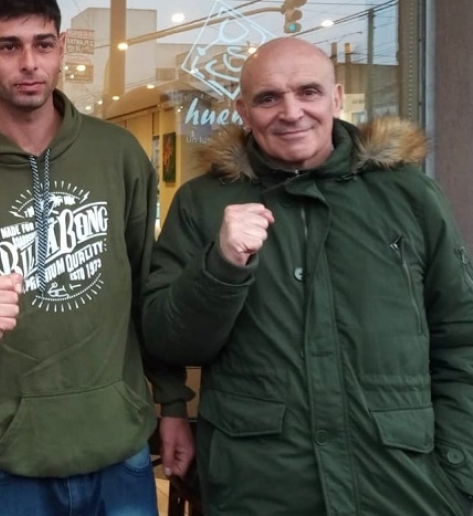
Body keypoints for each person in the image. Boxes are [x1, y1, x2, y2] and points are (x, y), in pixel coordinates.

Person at [142, 36, 473, 515]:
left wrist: (460, 468)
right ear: (243, 111)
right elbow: (166, 339)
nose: (291, 112)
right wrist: (221, 267)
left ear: (336, 98)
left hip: (402, 487)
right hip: (261, 489)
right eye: (269, 98)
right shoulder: (204, 202)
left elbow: (461, 337)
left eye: (308, 92)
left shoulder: (409, 195)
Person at [0, 0, 194, 515]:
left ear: (61, 48)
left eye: (42, 44)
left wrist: (173, 402)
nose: (29, 63)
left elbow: (149, 292)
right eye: (9, 46)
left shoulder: (118, 156)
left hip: (118, 446)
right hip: (4, 459)